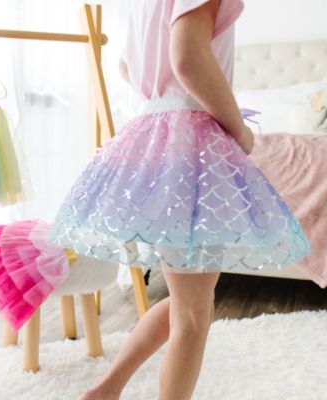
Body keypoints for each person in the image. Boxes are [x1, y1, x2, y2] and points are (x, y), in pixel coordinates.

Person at [50, 1, 310, 399]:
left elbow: (127, 66)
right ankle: (107, 390)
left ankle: (105, 390)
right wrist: (238, 130)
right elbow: (187, 57)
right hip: (193, 141)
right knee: (193, 313)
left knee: (188, 302)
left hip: (153, 136)